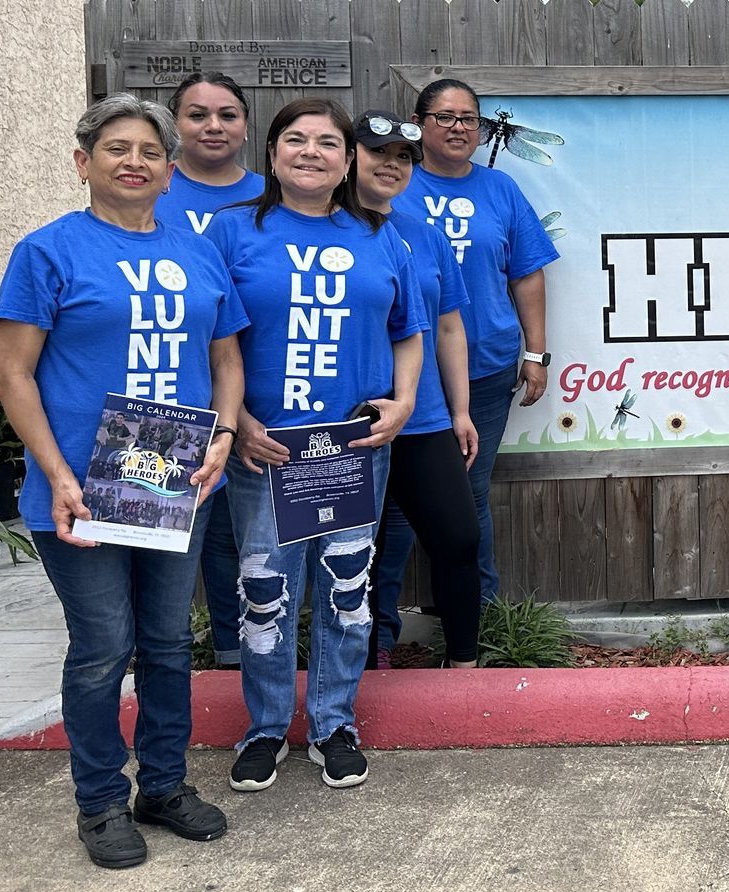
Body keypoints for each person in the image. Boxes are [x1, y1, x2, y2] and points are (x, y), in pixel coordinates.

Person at [0, 93, 246, 868]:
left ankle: (163, 785)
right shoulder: (49, 252)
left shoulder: (198, 250)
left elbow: (226, 355)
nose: (134, 161)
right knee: (103, 644)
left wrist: (224, 435)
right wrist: (58, 474)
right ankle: (100, 801)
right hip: (83, 483)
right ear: (83, 162)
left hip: (174, 468)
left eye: (149, 152)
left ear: (169, 173)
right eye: (116, 149)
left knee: (168, 640)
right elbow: (12, 372)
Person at [205, 97, 428, 792]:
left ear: (348, 159)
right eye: (294, 139)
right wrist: (236, 421)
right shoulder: (232, 231)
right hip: (266, 447)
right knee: (264, 592)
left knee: (345, 589)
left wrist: (406, 400)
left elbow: (408, 328)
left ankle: (334, 723)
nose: (310, 151)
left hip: (353, 446)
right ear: (271, 155)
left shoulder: (379, 233)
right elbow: (212, 340)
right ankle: (267, 726)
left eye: (327, 142)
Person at [389, 78, 560, 611]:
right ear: (419, 125)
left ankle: (474, 612)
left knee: (469, 489)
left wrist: (535, 352)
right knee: (394, 502)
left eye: (470, 118)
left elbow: (527, 273)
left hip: (484, 366)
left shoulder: (501, 190)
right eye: (445, 116)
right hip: (404, 369)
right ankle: (375, 625)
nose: (459, 127)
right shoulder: (393, 185)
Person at [349, 109, 485, 670]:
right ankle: (354, 664)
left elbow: (447, 325)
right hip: (346, 422)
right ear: (349, 156)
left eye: (403, 157)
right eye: (378, 152)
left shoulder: (423, 235)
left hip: (424, 417)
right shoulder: (321, 229)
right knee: (347, 554)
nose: (391, 165)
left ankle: (464, 664)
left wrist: (461, 410)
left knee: (458, 539)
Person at [156, 71, 266, 670]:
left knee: (236, 530)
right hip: (167, 385)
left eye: (227, 114)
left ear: (246, 125)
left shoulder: (272, 195)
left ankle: (239, 649)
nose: (213, 126)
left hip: (246, 382)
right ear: (177, 125)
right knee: (166, 525)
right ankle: (158, 651)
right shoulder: (153, 190)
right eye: (197, 114)